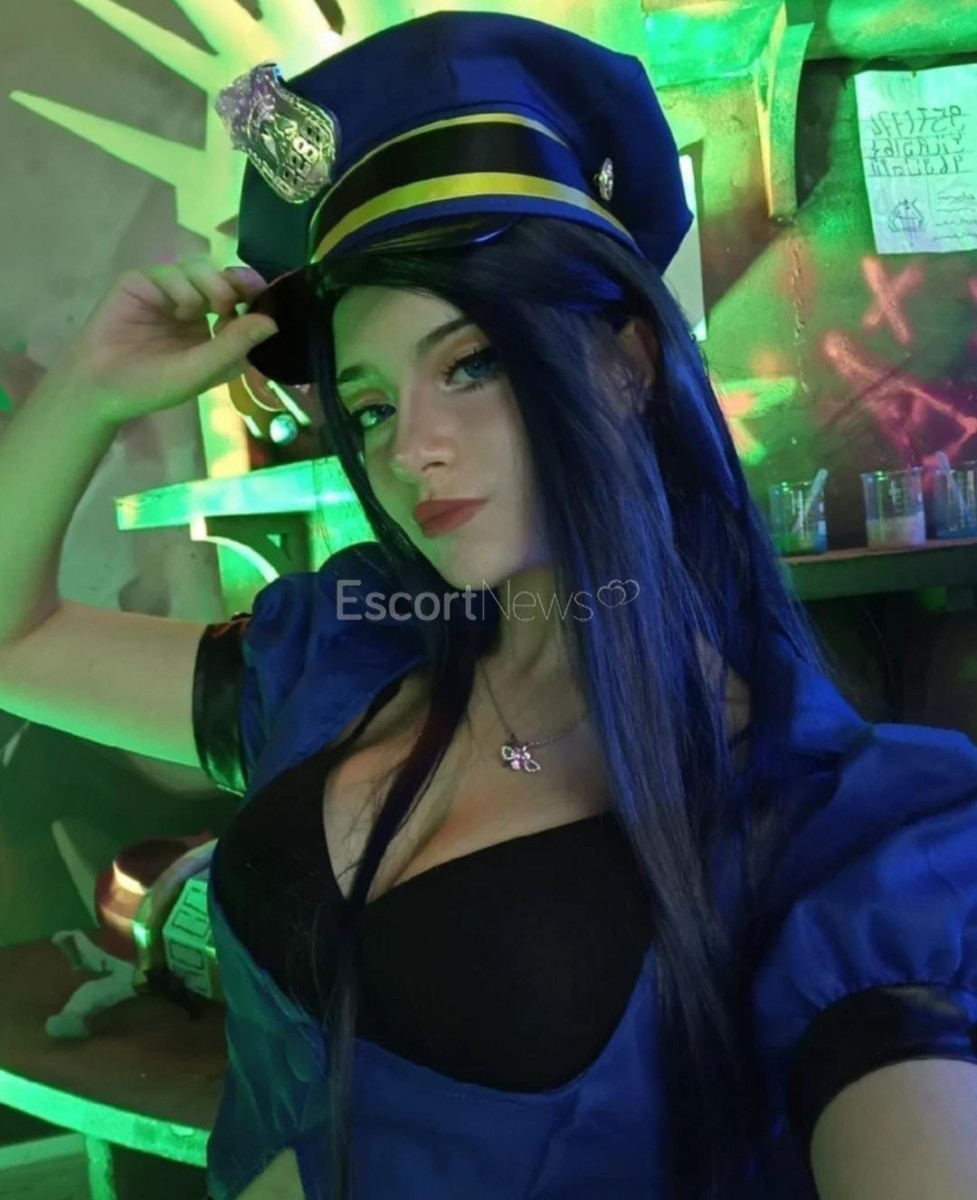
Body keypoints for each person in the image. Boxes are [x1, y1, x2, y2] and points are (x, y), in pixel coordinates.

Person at [1, 10, 976, 1200]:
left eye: (470, 364)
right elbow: (14, 644)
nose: (409, 447)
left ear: (622, 364)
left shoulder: (817, 825)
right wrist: (90, 390)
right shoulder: (335, 659)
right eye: (367, 405)